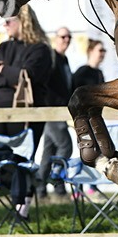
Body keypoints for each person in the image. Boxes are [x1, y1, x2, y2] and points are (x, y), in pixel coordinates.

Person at [0, 7, 53, 149]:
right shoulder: (3, 47)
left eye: (8, 21)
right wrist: (12, 80)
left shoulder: (40, 49)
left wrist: (2, 69)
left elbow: (27, 76)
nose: (4, 25)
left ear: (23, 21)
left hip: (25, 111)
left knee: (20, 162)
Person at [37, 27, 74, 199]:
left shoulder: (64, 59)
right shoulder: (51, 58)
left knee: (49, 150)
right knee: (65, 145)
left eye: (69, 37)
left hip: (61, 110)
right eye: (63, 36)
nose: (66, 40)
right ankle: (57, 180)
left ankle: (39, 187)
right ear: (55, 38)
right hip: (52, 110)